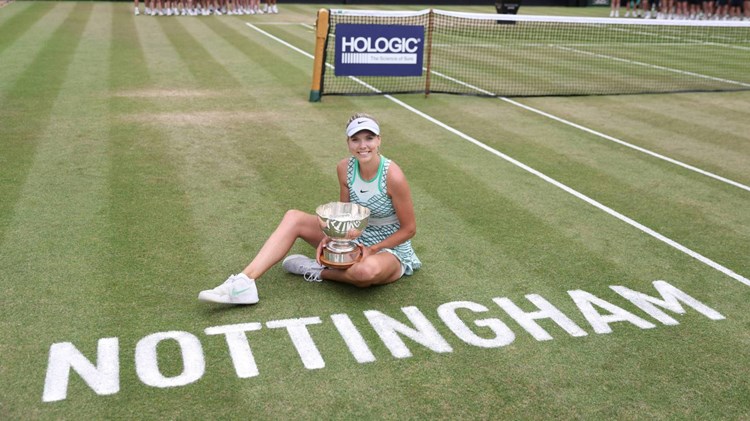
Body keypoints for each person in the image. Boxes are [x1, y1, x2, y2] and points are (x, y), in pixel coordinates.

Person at [198, 113, 422, 305]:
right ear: (348, 143)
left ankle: (317, 270)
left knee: (363, 273)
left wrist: (373, 249)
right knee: (293, 217)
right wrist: (330, 237)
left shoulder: (393, 175)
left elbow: (409, 229)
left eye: (369, 138)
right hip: (355, 238)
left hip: (389, 248)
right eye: (356, 139)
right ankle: (244, 282)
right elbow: (344, 214)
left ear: (379, 140)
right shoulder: (344, 168)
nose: (363, 145)